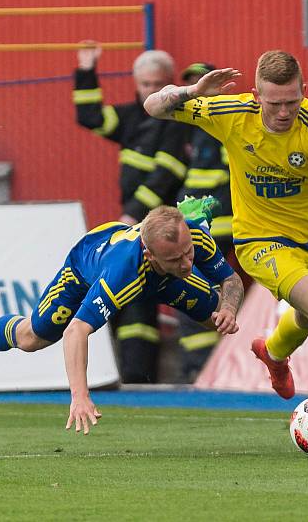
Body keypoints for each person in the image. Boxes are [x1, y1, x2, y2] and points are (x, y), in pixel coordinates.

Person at [143, 50, 308, 450]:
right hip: (259, 242)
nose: (284, 112)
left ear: (303, 92)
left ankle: (274, 352)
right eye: (274, 102)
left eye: (292, 101)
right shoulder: (230, 111)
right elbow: (153, 106)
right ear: (256, 95)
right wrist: (193, 90)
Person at [0, 200, 243, 434]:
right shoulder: (121, 274)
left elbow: (232, 282)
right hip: (86, 269)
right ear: (151, 255)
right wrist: (80, 395)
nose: (187, 263)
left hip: (162, 276)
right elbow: (76, 331)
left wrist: (228, 309)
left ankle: (190, 214)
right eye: (176, 258)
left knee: (216, 318)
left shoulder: (192, 239)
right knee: (32, 338)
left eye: (188, 253)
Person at [73, 43, 191, 383]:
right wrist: (86, 71)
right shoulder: (131, 117)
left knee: (157, 295)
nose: (151, 91)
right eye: (145, 85)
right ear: (135, 84)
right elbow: (89, 116)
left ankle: (154, 378)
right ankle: (137, 379)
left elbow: (165, 174)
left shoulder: (177, 118)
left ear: (170, 83)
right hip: (136, 224)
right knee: (131, 300)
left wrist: (131, 214)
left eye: (157, 84)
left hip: (163, 225)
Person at [174, 62, 236, 382]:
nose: (194, 91)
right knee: (206, 293)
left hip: (214, 225)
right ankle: (203, 368)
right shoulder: (194, 127)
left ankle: (202, 368)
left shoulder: (223, 122)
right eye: (191, 85)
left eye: (200, 84)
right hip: (200, 225)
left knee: (196, 289)